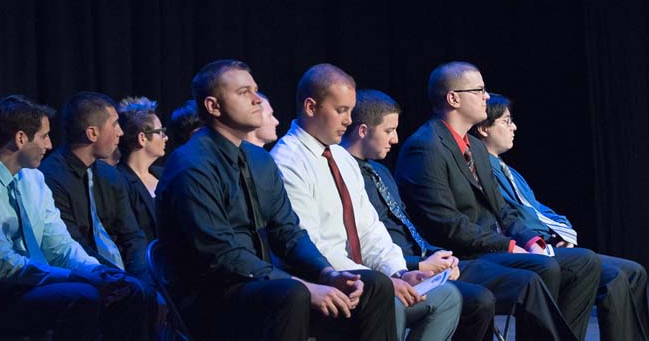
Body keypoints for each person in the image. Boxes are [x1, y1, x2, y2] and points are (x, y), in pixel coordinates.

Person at [157, 59, 398, 341]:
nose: (257, 99)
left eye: (256, 90)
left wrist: (327, 273)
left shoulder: (258, 159)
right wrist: (304, 286)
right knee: (291, 293)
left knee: (373, 285)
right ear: (213, 106)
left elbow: (288, 232)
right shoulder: (192, 165)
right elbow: (220, 256)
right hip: (212, 297)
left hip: (260, 286)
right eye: (244, 92)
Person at [395, 61, 601, 340]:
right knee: (540, 268)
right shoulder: (426, 147)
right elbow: (447, 225)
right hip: (461, 255)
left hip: (492, 248)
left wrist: (531, 242)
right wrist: (511, 246)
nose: (487, 97)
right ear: (453, 98)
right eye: (479, 90)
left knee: (583, 262)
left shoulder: (476, 147)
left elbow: (504, 211)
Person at [271, 64, 461, 341]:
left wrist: (398, 272)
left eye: (350, 110)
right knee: (387, 303)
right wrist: (384, 283)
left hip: (371, 278)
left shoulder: (342, 158)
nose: (349, 120)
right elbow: (311, 246)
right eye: (341, 110)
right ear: (311, 107)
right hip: (327, 282)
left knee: (447, 297)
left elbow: (369, 229)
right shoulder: (287, 162)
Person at [0, 95, 148, 340]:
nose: (49, 145)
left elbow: (60, 245)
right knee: (82, 295)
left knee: (130, 290)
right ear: (21, 138)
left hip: (32, 284)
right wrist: (75, 276)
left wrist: (97, 271)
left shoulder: (33, 180)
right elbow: (2, 265)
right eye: (44, 136)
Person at [472, 93, 649, 341]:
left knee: (635, 271)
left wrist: (562, 231)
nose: (514, 127)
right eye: (506, 121)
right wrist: (545, 239)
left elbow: (538, 209)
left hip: (547, 242)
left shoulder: (508, 171)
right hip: (524, 248)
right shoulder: (481, 169)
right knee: (614, 276)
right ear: (483, 129)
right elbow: (513, 217)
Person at [40, 92, 148, 279]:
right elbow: (73, 246)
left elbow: (132, 236)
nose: (121, 132)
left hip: (123, 275)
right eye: (115, 124)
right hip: (84, 275)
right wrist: (120, 280)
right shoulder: (51, 178)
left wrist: (142, 280)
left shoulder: (109, 174)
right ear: (92, 133)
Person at [116, 96, 168, 243]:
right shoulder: (120, 180)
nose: (166, 137)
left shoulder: (164, 175)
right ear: (142, 138)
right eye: (161, 132)